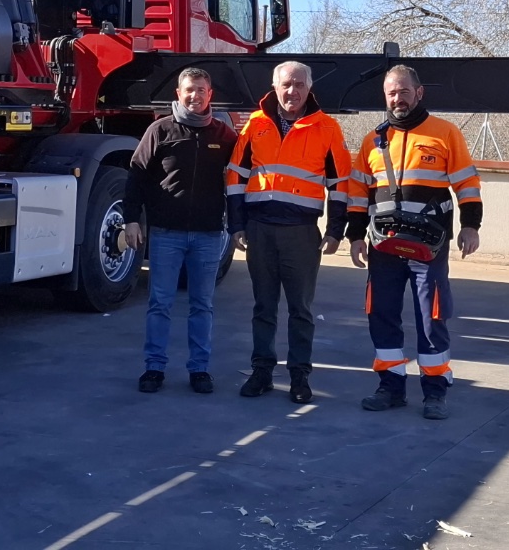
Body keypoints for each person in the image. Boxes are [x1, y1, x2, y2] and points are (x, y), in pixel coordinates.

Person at [343, 64, 482, 421]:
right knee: (381, 314)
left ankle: (435, 392)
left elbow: (467, 184)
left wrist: (471, 226)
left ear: (418, 93)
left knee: (430, 317)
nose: (397, 98)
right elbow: (358, 192)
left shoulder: (445, 133)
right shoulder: (372, 141)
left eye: (404, 91)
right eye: (391, 92)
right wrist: (355, 236)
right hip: (383, 246)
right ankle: (390, 387)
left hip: (429, 247)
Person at [225, 60, 351, 403]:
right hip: (260, 229)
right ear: (274, 86)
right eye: (286, 84)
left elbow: (340, 184)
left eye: (299, 84)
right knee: (263, 307)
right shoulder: (256, 124)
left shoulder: (327, 127)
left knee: (301, 310)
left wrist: (336, 230)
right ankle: (262, 372)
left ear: (309, 88)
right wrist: (236, 224)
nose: (292, 91)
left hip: (301, 233)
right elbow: (236, 174)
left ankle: (299, 377)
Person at [124, 67, 238, 394]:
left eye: (201, 90)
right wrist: (132, 219)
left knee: (202, 304)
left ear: (210, 95)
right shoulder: (159, 131)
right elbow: (136, 177)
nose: (195, 96)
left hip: (208, 235)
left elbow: (244, 178)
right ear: (179, 93)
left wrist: (241, 225)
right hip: (166, 234)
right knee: (160, 302)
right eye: (189, 90)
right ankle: (154, 368)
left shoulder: (224, 135)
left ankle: (199, 370)